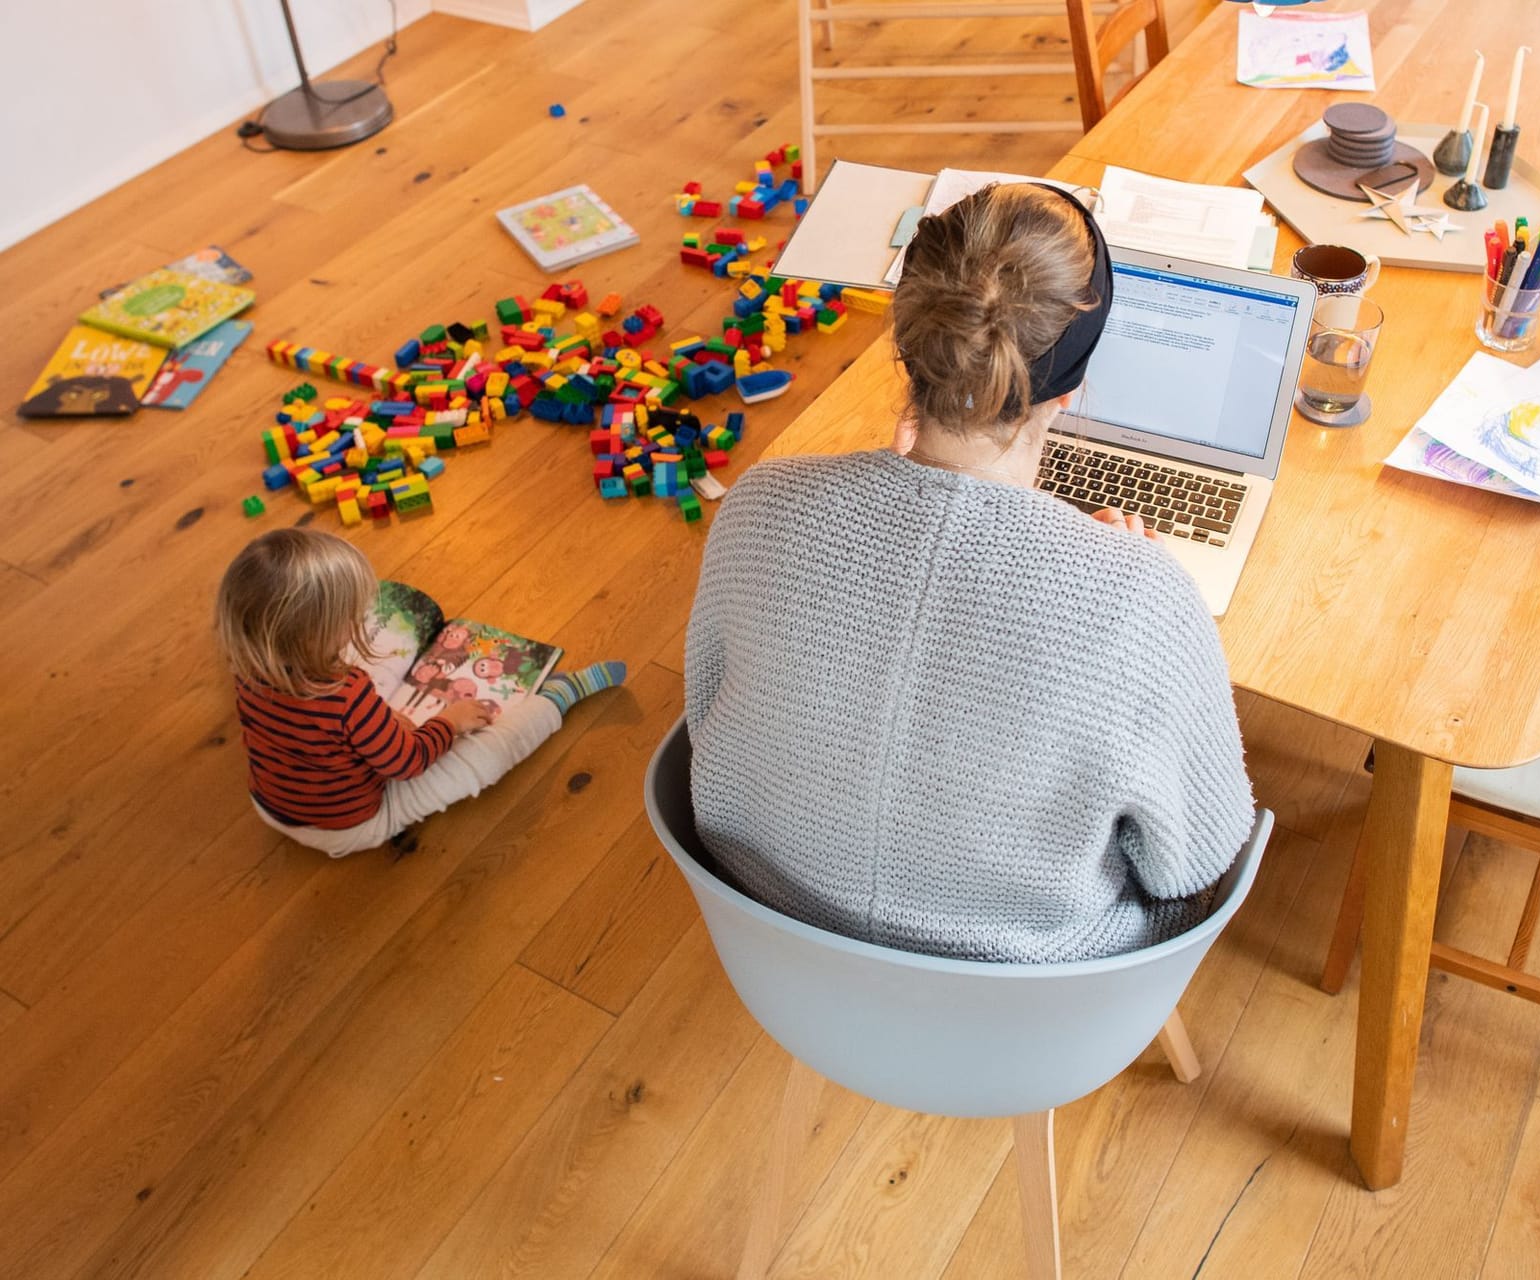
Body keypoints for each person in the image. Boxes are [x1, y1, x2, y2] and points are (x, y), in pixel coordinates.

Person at [686, 182, 1253, 962]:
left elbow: (706, 709)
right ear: (1073, 386)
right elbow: (1195, 862)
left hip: (772, 940)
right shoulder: (1143, 601)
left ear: (907, 342)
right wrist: (1126, 585)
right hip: (1032, 1005)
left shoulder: (758, 506)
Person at [216, 528, 624, 857]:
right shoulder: (346, 696)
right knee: (484, 758)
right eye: (348, 618)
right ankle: (558, 697)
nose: (359, 619)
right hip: (351, 826)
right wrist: (448, 723)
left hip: (269, 807)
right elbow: (407, 762)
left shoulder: (248, 668)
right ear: (313, 636)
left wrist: (384, 723)